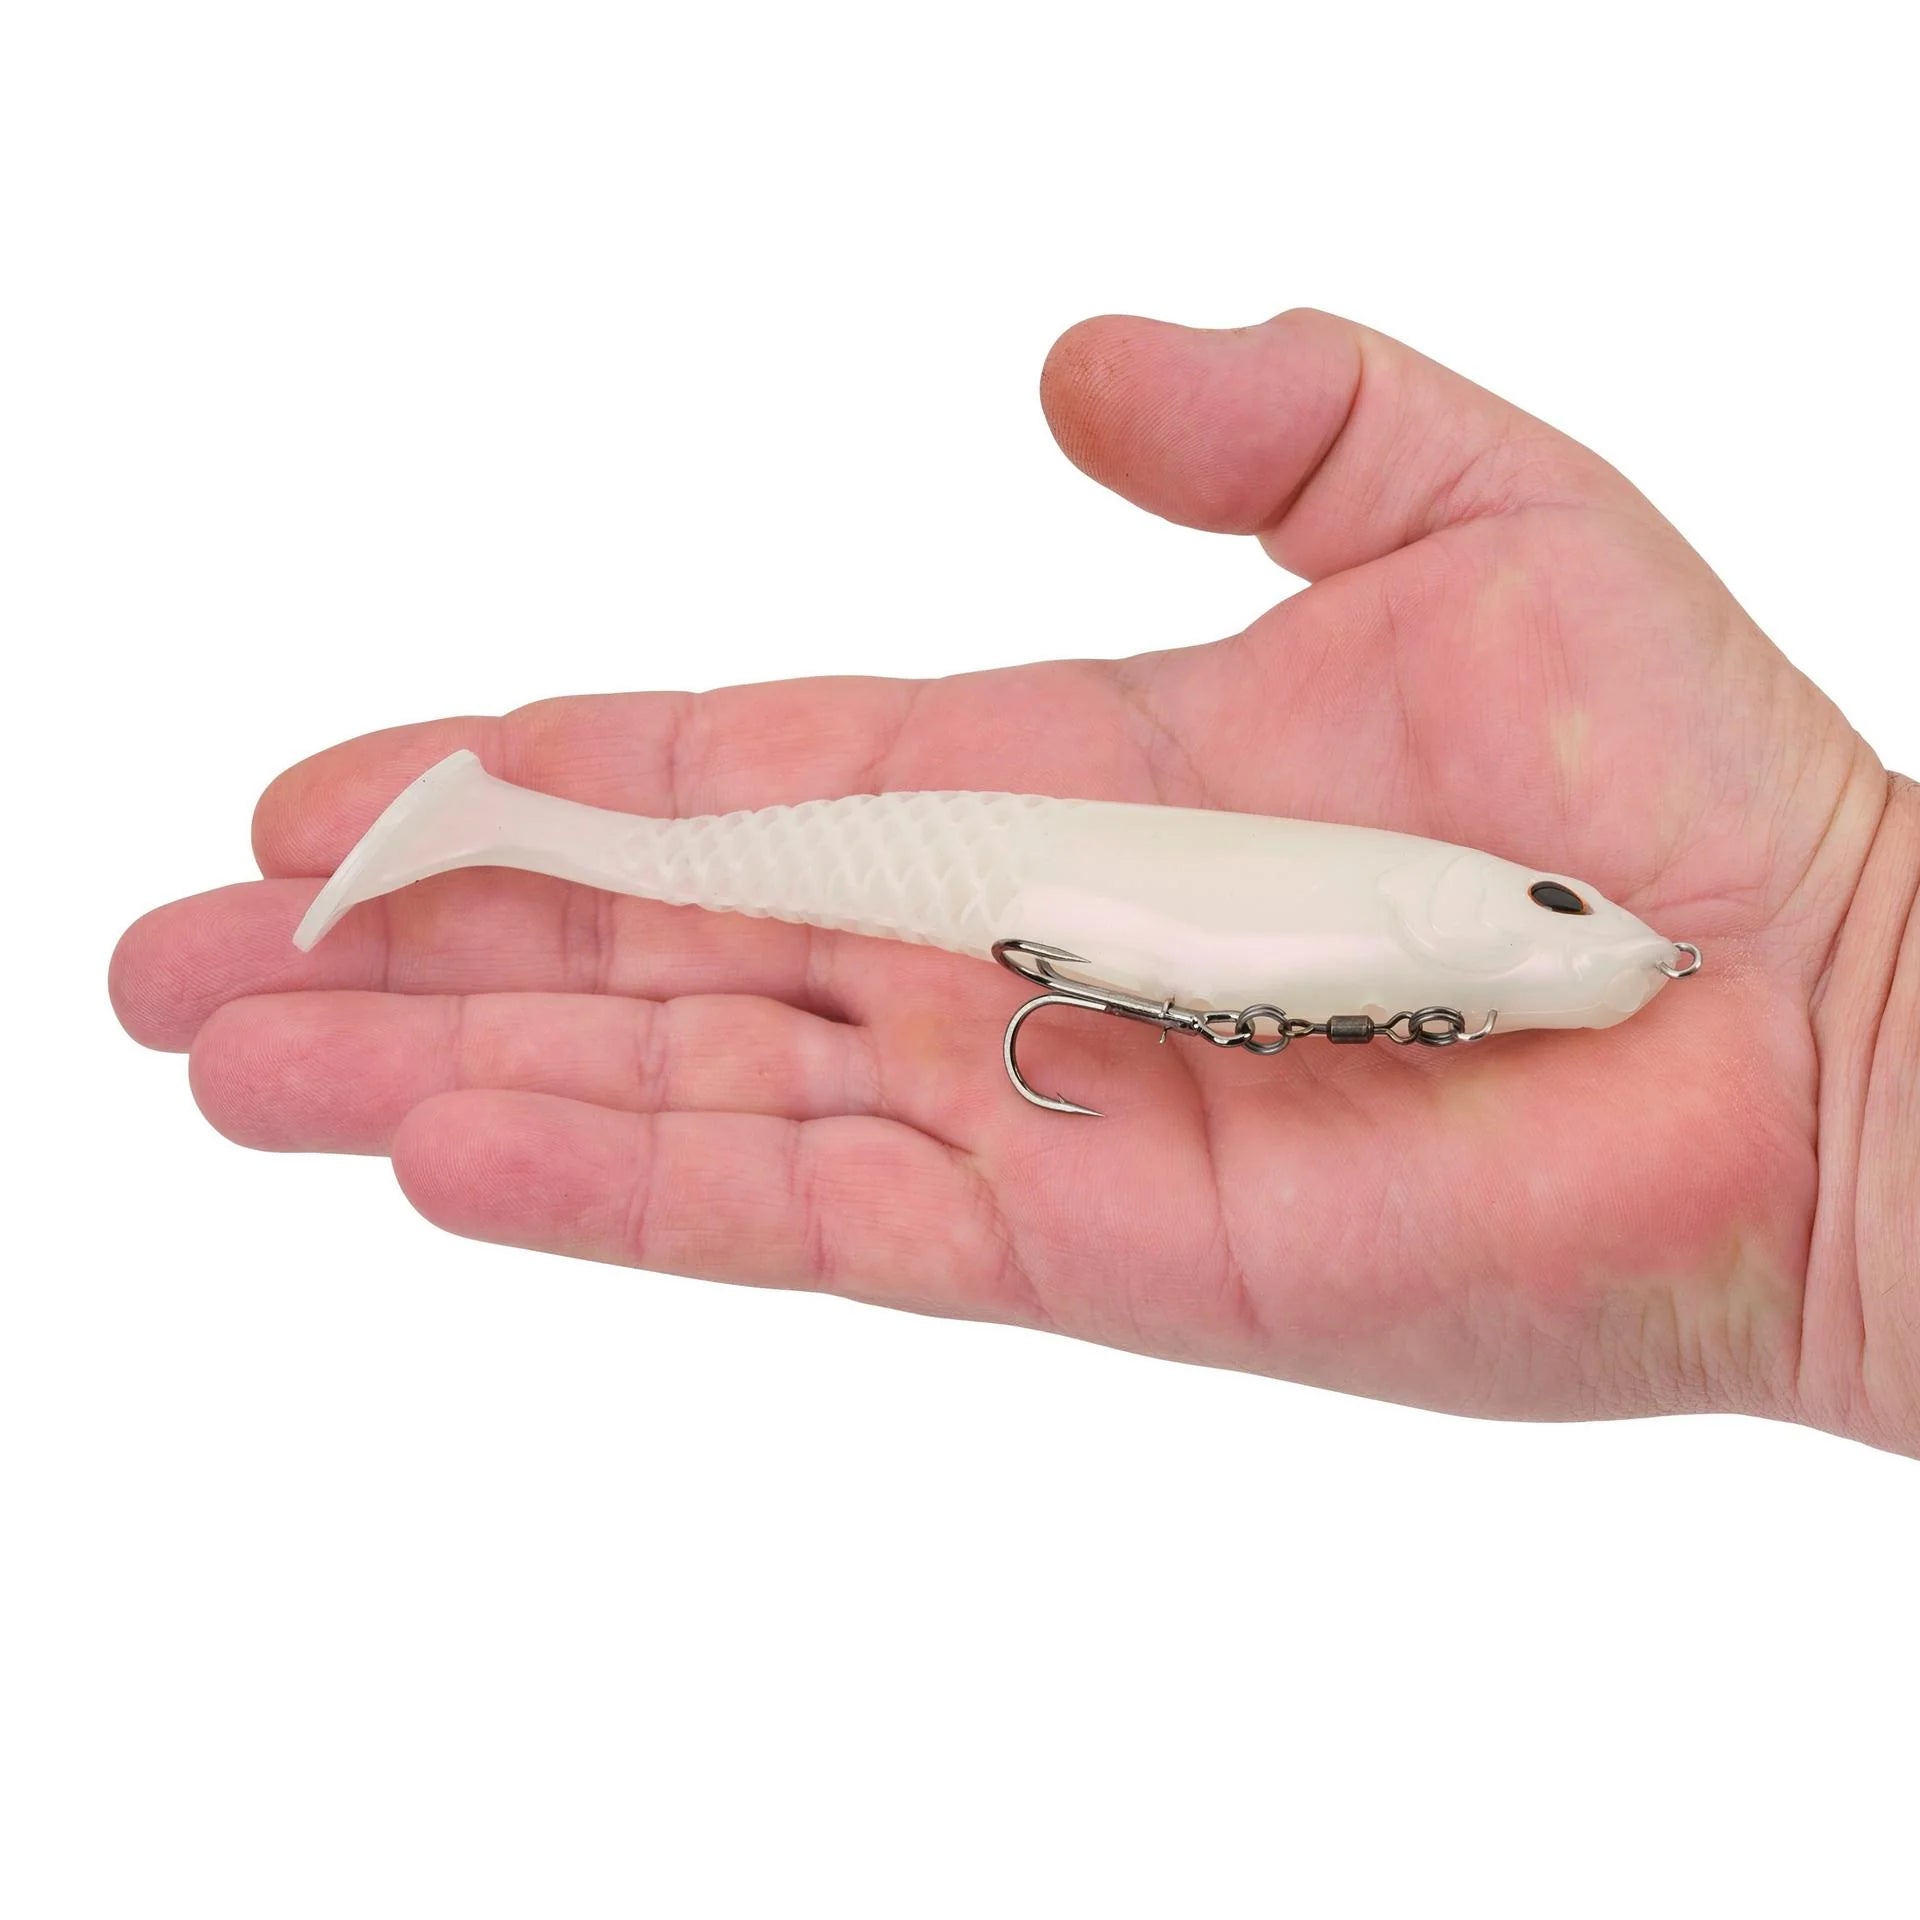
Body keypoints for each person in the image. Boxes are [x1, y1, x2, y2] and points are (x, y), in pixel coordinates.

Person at [108, 309, 1918, 1457]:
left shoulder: (1498, 947)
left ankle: (506, 826)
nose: (1602, 940)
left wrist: (1863, 1008)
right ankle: (507, 825)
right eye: (1556, 910)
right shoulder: (1429, 911)